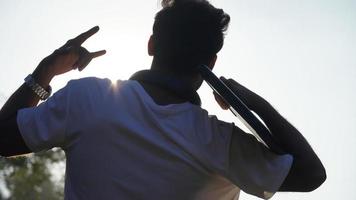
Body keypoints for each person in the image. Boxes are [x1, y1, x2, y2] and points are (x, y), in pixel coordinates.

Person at [0, 0, 326, 199]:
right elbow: (312, 175)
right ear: (212, 63)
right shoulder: (222, 142)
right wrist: (254, 103)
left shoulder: (87, 99)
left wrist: (46, 70)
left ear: (151, 45)